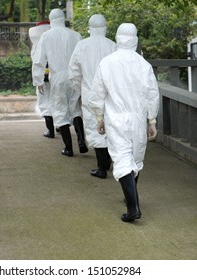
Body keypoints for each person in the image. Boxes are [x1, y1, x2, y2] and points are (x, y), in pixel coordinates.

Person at [88, 23, 159, 222]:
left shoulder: (107, 62)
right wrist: (151, 120)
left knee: (122, 159)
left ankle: (133, 207)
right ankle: (132, 199)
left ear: (118, 38)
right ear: (135, 39)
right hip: (138, 119)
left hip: (116, 118)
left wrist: (99, 117)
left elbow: (97, 94)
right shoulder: (143, 64)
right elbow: (152, 94)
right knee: (135, 159)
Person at [32, 8, 88, 157]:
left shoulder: (46, 36)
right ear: (63, 19)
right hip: (74, 76)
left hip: (57, 77)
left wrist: (38, 81)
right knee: (75, 108)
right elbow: (83, 59)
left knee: (60, 110)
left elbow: (39, 61)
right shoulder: (76, 35)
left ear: (51, 21)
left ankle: (68, 148)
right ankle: (81, 140)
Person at [69, 14, 116, 179]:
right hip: (110, 95)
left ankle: (101, 167)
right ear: (105, 27)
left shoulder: (82, 46)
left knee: (95, 129)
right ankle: (110, 162)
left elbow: (73, 72)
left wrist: (80, 89)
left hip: (90, 93)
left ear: (90, 27)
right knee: (111, 127)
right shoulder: (113, 46)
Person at [29, 21, 55, 138]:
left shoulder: (36, 45)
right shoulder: (56, 40)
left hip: (42, 77)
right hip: (56, 76)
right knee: (58, 101)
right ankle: (61, 126)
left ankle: (51, 130)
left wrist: (37, 79)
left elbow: (36, 63)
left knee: (45, 102)